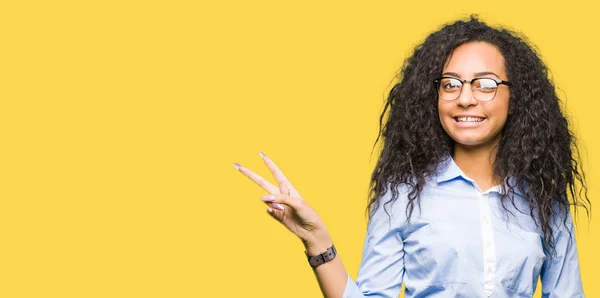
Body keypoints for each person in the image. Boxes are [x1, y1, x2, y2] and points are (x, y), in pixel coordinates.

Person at [233, 15, 591, 298]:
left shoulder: (546, 204)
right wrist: (318, 242)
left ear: (517, 97)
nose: (465, 98)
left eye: (485, 83)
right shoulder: (403, 198)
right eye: (450, 84)